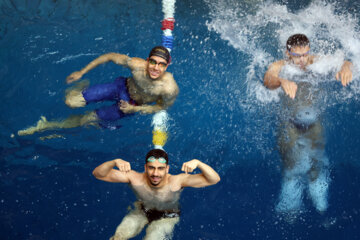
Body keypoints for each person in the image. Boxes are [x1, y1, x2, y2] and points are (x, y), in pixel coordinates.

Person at [263, 34, 353, 215]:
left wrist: (345, 68)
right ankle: (290, 207)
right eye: (297, 56)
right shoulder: (280, 66)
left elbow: (346, 61)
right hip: (290, 124)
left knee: (316, 163)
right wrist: (282, 80)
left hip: (314, 123)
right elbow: (268, 80)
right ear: (288, 53)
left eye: (305, 54)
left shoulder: (316, 61)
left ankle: (319, 200)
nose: (302, 60)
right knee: (292, 166)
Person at [18, 46, 179, 135]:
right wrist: (82, 72)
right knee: (70, 102)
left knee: (86, 121)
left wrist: (134, 109)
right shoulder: (136, 66)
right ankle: (82, 85)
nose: (156, 68)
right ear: (147, 60)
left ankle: (47, 126)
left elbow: (161, 107)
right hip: (120, 87)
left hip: (130, 105)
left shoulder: (169, 88)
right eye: (153, 62)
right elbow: (109, 56)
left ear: (167, 66)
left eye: (161, 64)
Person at [92, 149, 220, 240]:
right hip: (142, 211)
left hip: (167, 216)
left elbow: (214, 179)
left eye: (160, 168)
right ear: (145, 167)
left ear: (167, 169)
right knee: (118, 238)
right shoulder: (135, 178)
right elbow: (98, 174)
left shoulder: (177, 181)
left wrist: (198, 163)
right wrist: (114, 162)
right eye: (151, 168)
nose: (155, 173)